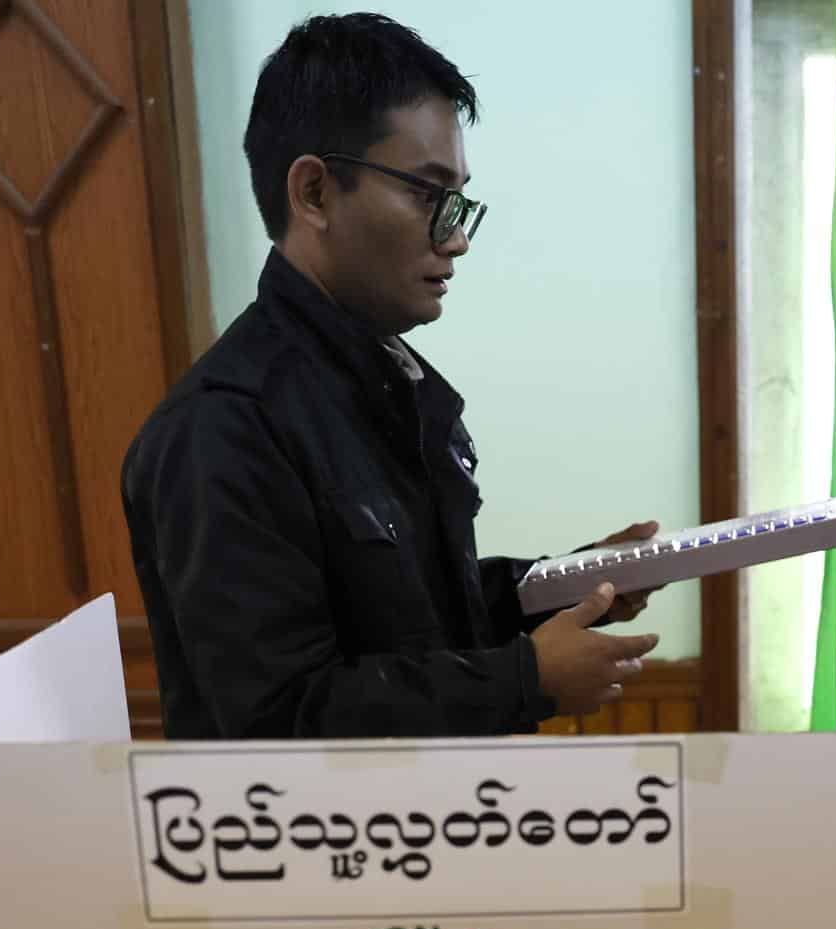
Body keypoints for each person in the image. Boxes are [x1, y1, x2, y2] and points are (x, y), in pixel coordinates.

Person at [122, 13, 657, 739]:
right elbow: (280, 718)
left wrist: (562, 587)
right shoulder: (224, 427)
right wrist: (524, 680)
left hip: (435, 830)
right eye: (427, 194)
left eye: (459, 199)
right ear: (314, 193)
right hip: (326, 848)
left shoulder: (385, 382)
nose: (457, 236)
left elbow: (415, 620)